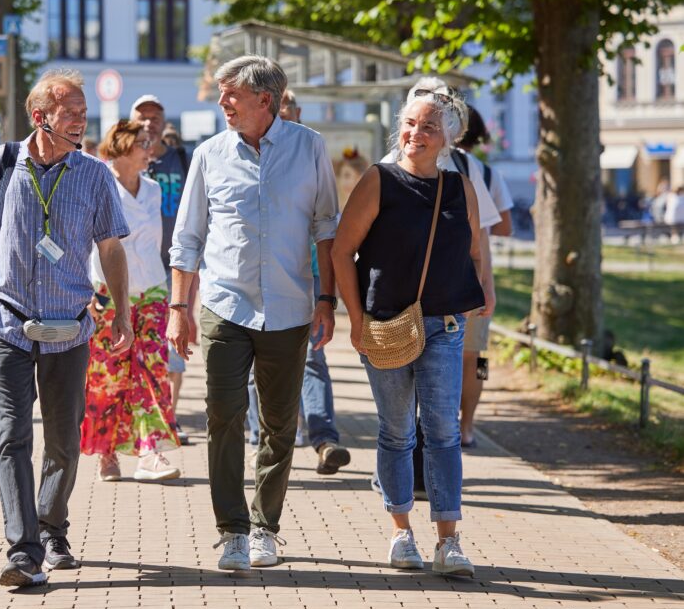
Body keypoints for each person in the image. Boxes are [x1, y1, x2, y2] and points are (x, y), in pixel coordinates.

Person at [0, 69, 133, 588]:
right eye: (72, 112)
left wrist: (121, 312)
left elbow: (112, 248)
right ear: (41, 118)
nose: (82, 120)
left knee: (62, 442)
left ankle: (53, 526)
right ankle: (23, 548)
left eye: (83, 111)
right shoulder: (3, 163)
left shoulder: (94, 174)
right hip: (6, 322)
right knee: (12, 436)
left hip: (70, 328)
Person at [168, 55, 340, 570]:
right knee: (223, 415)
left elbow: (326, 228)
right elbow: (188, 238)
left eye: (231, 95)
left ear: (264, 100)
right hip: (224, 305)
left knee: (280, 423)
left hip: (289, 308)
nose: (222, 103)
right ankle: (233, 531)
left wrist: (327, 300)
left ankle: (266, 526)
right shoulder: (208, 155)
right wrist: (180, 308)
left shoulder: (309, 147)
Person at [333, 81, 486, 577]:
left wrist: (481, 293)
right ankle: (402, 534)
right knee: (397, 432)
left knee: (441, 433)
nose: (417, 133)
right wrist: (355, 321)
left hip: (444, 326)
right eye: (410, 123)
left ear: (447, 138)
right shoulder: (379, 180)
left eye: (429, 127)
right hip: (385, 327)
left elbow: (475, 248)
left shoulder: (460, 187)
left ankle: (449, 542)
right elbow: (341, 251)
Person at [246, 89, 351, 476]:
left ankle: (325, 440)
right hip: (258, 282)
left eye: (287, 107)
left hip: (306, 282)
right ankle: (262, 438)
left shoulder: (310, 151)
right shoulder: (248, 151)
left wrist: (328, 292)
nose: (280, 113)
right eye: (276, 106)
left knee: (312, 359)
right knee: (257, 367)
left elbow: (328, 222)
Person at [82, 120, 182, 482]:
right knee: (108, 375)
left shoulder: (154, 190)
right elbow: (83, 240)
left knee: (153, 372)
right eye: (141, 143)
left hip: (152, 288)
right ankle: (106, 454)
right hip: (107, 293)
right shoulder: (97, 182)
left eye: (149, 142)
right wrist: (84, 291)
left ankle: (149, 451)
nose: (149, 149)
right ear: (121, 147)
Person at [131, 95, 195, 445]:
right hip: (134, 270)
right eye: (142, 117)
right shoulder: (125, 162)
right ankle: (141, 418)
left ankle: (168, 417)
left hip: (173, 269)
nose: (148, 123)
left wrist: (192, 300)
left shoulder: (181, 160)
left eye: (155, 117)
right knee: (137, 348)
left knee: (173, 346)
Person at [451, 105, 510, 448]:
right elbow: (505, 225)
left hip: (448, 272)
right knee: (478, 357)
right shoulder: (488, 174)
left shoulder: (448, 165)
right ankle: (469, 425)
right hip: (481, 275)